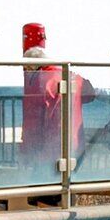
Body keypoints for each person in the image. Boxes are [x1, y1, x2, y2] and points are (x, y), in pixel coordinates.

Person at [20, 23, 69, 165]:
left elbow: (39, 112)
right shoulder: (59, 74)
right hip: (56, 139)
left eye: (27, 66)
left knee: (41, 173)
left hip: (45, 140)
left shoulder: (43, 79)